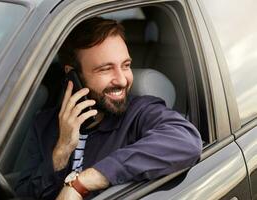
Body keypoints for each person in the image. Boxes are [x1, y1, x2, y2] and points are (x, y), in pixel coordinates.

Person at [15, 17, 202, 200]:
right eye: (105, 69)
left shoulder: (141, 112)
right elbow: (23, 193)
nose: (122, 80)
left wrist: (85, 181)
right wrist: (62, 151)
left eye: (126, 65)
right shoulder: (44, 124)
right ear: (72, 76)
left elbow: (186, 140)